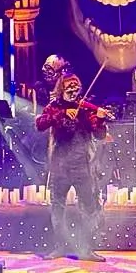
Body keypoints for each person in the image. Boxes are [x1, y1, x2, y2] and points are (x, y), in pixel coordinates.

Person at [34, 72, 113, 261]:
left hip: (82, 166)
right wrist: (61, 114)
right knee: (57, 207)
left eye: (76, 87)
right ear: (61, 89)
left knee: (89, 207)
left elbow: (100, 135)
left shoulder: (86, 110)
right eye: (69, 87)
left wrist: (101, 118)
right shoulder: (54, 106)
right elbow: (40, 124)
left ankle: (86, 249)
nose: (73, 90)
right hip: (60, 165)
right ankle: (60, 246)